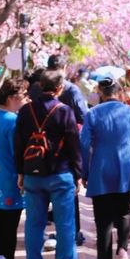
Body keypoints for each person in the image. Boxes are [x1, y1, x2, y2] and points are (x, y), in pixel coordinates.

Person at [14, 69, 90, 259]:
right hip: (60, 173)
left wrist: (20, 171)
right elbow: (74, 145)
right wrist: (78, 173)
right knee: (65, 223)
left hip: (32, 175)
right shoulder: (64, 111)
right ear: (59, 88)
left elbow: (18, 143)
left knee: (33, 224)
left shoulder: (26, 111)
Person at [80, 75, 130, 259]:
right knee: (123, 211)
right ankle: (122, 249)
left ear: (101, 94)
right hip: (125, 167)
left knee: (102, 219)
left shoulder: (92, 114)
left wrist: (85, 172)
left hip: (101, 168)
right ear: (119, 92)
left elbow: (84, 145)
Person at [48, 54, 88, 245]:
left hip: (42, 151)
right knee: (70, 193)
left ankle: (56, 232)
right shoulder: (71, 90)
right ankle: (74, 232)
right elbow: (83, 116)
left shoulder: (38, 90)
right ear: (64, 69)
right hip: (66, 149)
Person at [0, 78, 27, 259]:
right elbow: (19, 153)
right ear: (12, 98)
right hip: (10, 180)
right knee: (9, 228)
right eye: (24, 96)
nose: (26, 100)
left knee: (0, 228)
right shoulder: (13, 121)